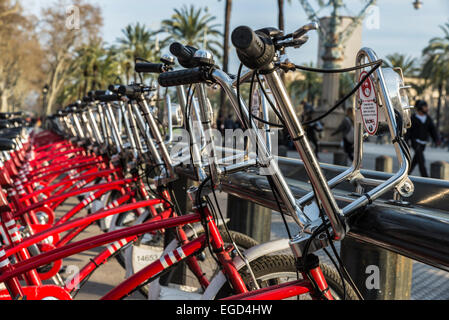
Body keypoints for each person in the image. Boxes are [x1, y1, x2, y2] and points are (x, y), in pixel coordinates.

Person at [405, 100, 440, 177]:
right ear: (420, 107)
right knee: (421, 160)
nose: (427, 108)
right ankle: (425, 178)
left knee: (416, 160)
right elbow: (408, 132)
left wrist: (436, 139)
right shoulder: (413, 118)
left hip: (423, 143)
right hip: (415, 141)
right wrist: (406, 142)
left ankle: (406, 174)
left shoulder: (428, 118)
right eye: (425, 107)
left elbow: (432, 130)